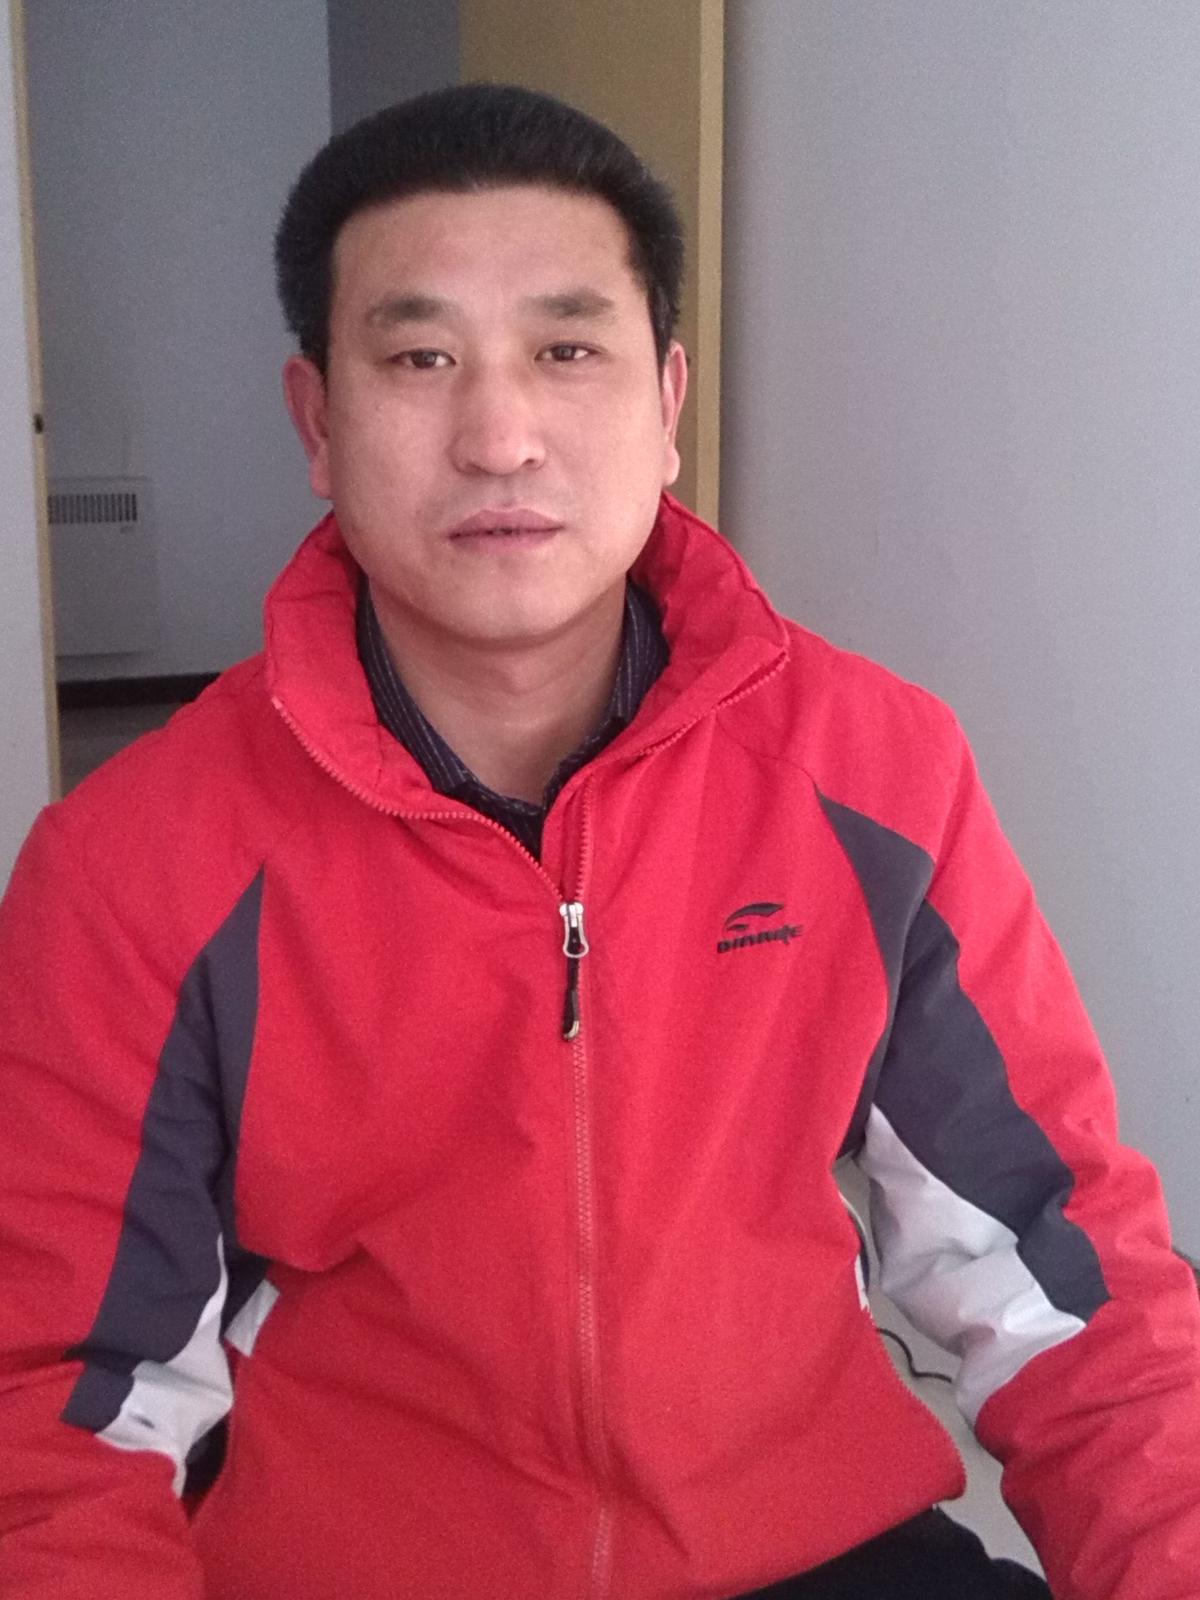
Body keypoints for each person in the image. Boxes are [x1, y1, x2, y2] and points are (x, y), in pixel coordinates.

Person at [0, 83, 1197, 1600]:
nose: (500, 437)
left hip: (807, 1549)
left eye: (567, 351)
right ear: (318, 423)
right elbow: (59, 1410)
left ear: (667, 403)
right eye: (421, 359)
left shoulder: (876, 771)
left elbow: (1062, 1267)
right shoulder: (135, 859)